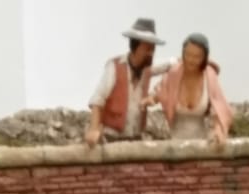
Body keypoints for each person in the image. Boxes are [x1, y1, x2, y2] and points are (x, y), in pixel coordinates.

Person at [84, 18, 171, 146]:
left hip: (136, 139)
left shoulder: (148, 68)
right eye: (147, 48)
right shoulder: (115, 67)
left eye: (153, 49)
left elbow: (175, 64)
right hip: (111, 138)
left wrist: (156, 94)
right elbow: (97, 100)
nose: (151, 53)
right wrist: (94, 130)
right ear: (135, 47)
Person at [160, 33, 232, 146]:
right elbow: (160, 90)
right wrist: (151, 99)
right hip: (175, 144)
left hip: (202, 144)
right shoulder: (173, 73)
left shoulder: (210, 76)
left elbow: (219, 108)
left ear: (204, 58)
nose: (191, 60)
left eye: (197, 56)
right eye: (188, 54)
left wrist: (218, 129)